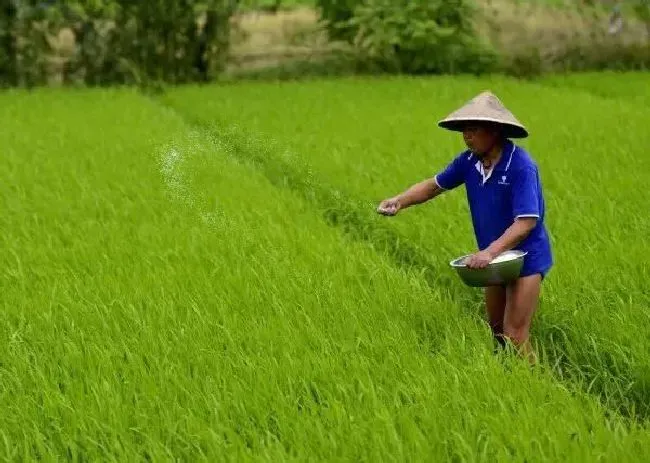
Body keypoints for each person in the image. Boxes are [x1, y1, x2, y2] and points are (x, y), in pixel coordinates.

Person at [376, 91, 553, 362]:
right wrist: (400, 201)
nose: (467, 137)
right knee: (496, 333)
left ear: (494, 130)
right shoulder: (469, 162)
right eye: (464, 131)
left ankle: (539, 387)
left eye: (473, 130)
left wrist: (488, 253)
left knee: (515, 334)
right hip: (494, 259)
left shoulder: (521, 166)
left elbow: (526, 222)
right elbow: (434, 185)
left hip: (525, 258)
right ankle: (509, 384)